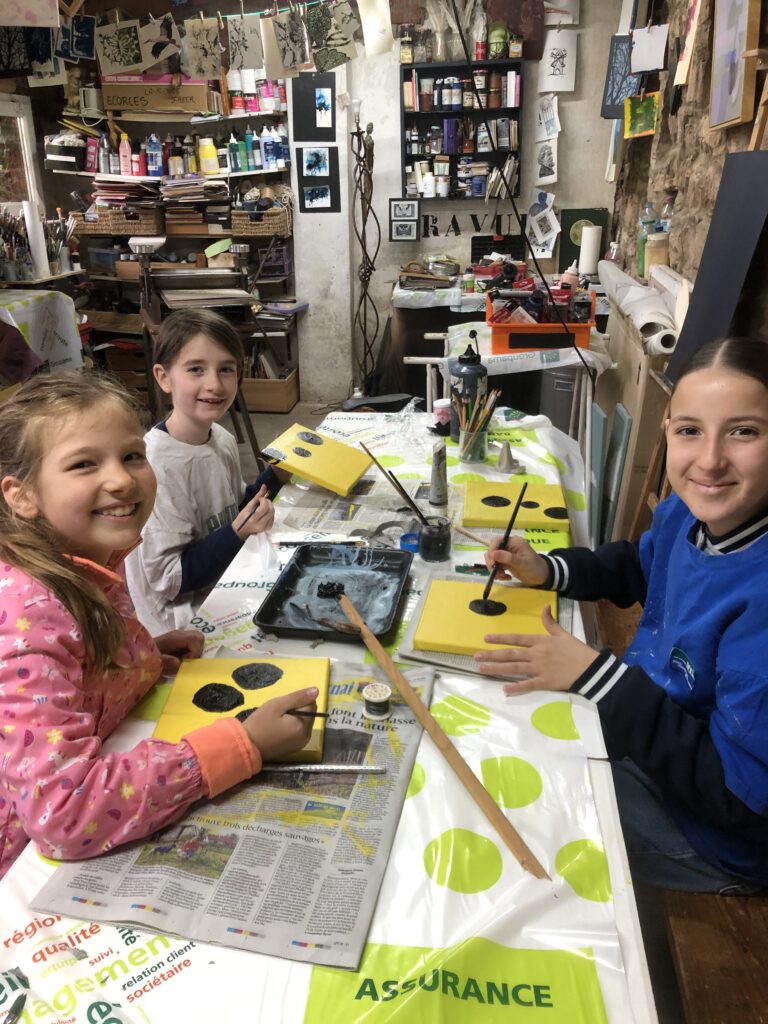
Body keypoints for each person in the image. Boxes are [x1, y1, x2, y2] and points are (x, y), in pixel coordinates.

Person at [475, 336, 768, 893]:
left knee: (517, 809)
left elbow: (739, 798)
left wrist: (599, 679)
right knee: (496, 732)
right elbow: (638, 565)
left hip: (711, 830)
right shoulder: (688, 514)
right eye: (690, 430)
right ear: (667, 431)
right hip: (652, 734)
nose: (710, 459)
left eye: (744, 431)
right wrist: (547, 570)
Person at [0, 371, 317, 879]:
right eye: (84, 464)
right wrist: (243, 746)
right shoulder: (29, 612)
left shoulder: (91, 554)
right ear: (22, 495)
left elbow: (73, 672)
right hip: (18, 865)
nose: (122, 480)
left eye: (132, 455)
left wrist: (138, 657)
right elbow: (64, 812)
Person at [125, 309, 282, 634]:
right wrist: (238, 532)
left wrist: (277, 475)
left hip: (226, 581)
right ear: (164, 377)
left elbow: (235, 511)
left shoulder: (221, 439)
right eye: (196, 369)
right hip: (179, 623)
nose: (215, 384)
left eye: (226, 369)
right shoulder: (153, 465)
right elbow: (171, 580)